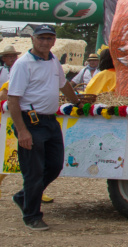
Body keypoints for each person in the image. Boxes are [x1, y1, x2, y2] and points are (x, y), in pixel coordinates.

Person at [6, 25, 82, 231]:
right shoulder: (23, 64)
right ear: (33, 39)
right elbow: (13, 100)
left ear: (54, 41)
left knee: (55, 166)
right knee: (34, 171)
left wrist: (77, 101)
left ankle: (23, 197)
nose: (45, 42)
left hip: (50, 121)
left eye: (49, 38)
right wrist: (22, 130)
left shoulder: (53, 61)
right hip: (31, 121)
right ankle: (32, 215)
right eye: (41, 38)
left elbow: (63, 84)